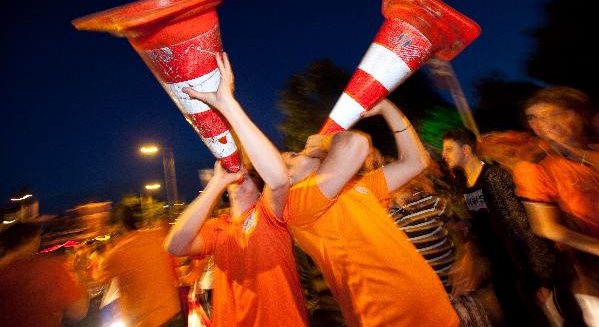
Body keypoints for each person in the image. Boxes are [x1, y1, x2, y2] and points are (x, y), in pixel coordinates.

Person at [283, 98, 459, 327]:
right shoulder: (297, 204)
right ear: (287, 180)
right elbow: (354, 144)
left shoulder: (356, 185)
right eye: (294, 156)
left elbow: (416, 161)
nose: (302, 153)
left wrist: (388, 108)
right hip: (389, 319)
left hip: (436, 309)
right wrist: (322, 144)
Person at [165, 52, 308, 327]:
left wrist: (228, 105)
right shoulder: (218, 228)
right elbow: (175, 245)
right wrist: (216, 184)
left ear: (256, 181)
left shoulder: (269, 212)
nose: (234, 166)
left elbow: (278, 179)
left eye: (244, 165)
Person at [442, 128, 555, 326]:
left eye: (449, 149)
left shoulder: (494, 177)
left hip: (521, 268)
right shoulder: (464, 186)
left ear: (466, 150)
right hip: (500, 270)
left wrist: (539, 277)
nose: (443, 155)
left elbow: (521, 225)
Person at [513, 86, 599, 325]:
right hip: (591, 272)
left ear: (575, 114)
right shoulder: (535, 168)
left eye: (551, 114)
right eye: (534, 118)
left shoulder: (594, 152)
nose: (543, 124)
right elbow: (545, 227)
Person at [101, 203, 184, 327]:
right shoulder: (157, 238)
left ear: (119, 227)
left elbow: (97, 281)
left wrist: (79, 271)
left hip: (147, 322)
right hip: (175, 314)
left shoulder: (117, 253)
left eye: (111, 234)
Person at [0, 222, 89, 327]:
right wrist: (81, 271)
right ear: (27, 239)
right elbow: (78, 312)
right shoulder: (48, 268)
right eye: (38, 236)